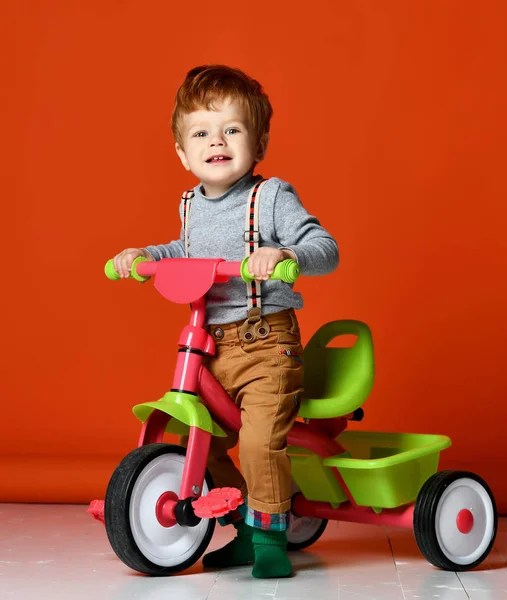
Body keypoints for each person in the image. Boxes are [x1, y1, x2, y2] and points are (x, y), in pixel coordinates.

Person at [112, 65, 339, 578]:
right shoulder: (191, 204)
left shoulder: (272, 196)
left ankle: (271, 537)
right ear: (181, 152)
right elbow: (184, 250)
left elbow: (326, 249)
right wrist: (145, 255)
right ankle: (242, 523)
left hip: (266, 344)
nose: (217, 141)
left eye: (232, 130)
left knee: (259, 441)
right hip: (212, 346)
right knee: (202, 438)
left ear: (257, 144)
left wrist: (284, 253)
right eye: (201, 133)